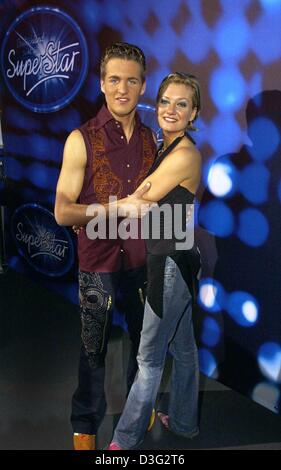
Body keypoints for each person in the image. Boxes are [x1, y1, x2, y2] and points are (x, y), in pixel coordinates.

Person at [54, 42, 157, 450]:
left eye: (131, 80)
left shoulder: (152, 140)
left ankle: (138, 407)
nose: (122, 88)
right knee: (93, 351)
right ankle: (84, 423)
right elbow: (63, 212)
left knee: (142, 345)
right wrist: (118, 209)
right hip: (97, 265)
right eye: (114, 79)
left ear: (143, 87)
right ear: (101, 84)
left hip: (140, 260)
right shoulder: (81, 139)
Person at [108, 72, 202, 450]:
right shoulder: (167, 148)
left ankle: (124, 440)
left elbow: (139, 200)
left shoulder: (183, 155)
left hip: (170, 266)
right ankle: (183, 422)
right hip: (177, 259)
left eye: (182, 104)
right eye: (166, 101)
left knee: (149, 359)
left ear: (194, 112)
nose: (171, 109)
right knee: (183, 349)